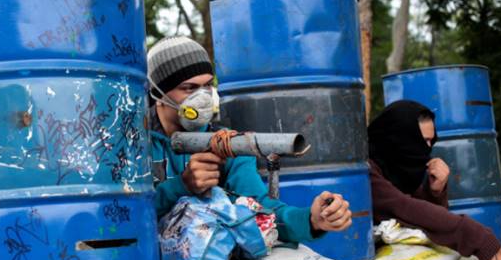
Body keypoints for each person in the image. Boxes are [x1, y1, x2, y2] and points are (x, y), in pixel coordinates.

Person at [146, 36, 352, 243]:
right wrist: (182, 186)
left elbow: (260, 209)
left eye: (208, 86)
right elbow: (121, 215)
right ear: (158, 93)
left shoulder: (227, 144)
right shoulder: (130, 144)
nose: (202, 97)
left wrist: (310, 220)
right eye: (190, 88)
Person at [367, 100, 501, 260]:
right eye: (423, 140)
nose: (428, 149)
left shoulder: (396, 167)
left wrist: (434, 191)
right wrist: (477, 236)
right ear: (401, 137)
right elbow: (403, 207)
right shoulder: (367, 171)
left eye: (431, 141)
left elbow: (421, 221)